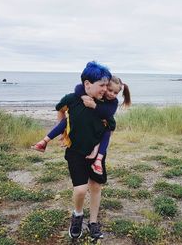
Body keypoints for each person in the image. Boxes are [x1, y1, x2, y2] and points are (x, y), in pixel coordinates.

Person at [54, 61, 115, 241]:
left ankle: (93, 222)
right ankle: (78, 215)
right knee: (80, 190)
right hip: (75, 152)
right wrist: (62, 129)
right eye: (101, 85)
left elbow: (110, 125)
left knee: (95, 187)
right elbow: (60, 109)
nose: (105, 89)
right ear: (87, 84)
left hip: (96, 155)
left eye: (106, 85)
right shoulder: (72, 99)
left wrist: (99, 150)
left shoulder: (103, 105)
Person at [31, 75, 131, 175]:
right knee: (68, 120)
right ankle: (44, 141)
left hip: (107, 124)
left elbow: (108, 113)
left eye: (115, 93)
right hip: (90, 127)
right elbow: (79, 88)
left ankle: (98, 160)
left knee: (106, 134)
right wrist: (83, 96)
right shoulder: (97, 94)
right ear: (104, 87)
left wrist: (94, 106)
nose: (112, 94)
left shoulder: (113, 101)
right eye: (109, 90)